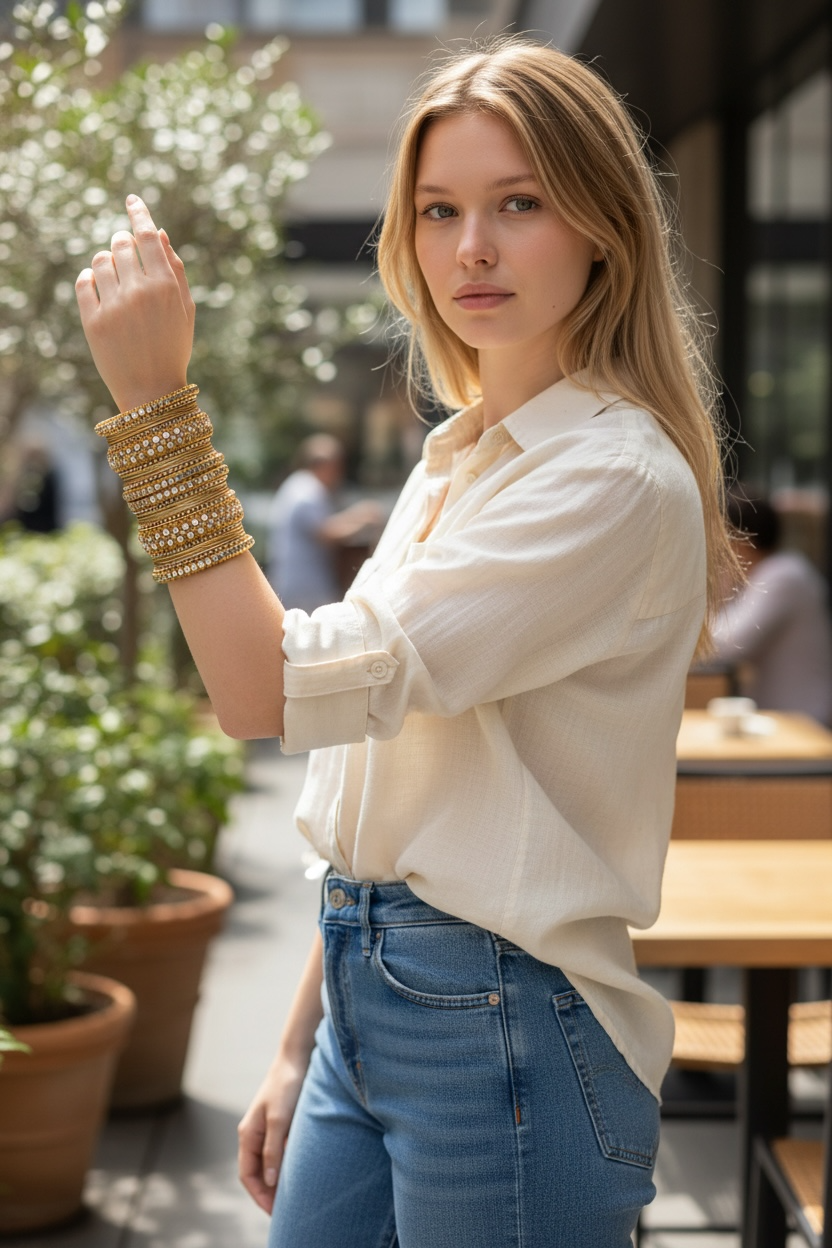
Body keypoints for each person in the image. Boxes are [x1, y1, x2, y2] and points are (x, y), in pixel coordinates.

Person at [74, 37, 737, 1248]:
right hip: (364, 1008)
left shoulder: (610, 477)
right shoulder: (458, 462)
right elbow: (381, 792)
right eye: (439, 210)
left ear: (602, 227)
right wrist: (299, 1043)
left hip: (509, 1028)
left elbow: (261, 688)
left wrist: (156, 410)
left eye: (517, 203)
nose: (469, 247)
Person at [712, 493, 832, 723]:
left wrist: (717, 589)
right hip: (784, 721)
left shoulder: (784, 574)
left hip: (808, 726)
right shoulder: (768, 574)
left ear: (739, 541)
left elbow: (728, 645)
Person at [266, 433, 383, 613]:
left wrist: (357, 516)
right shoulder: (307, 490)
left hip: (299, 584)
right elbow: (326, 532)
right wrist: (362, 518)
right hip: (305, 587)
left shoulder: (298, 485)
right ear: (326, 465)